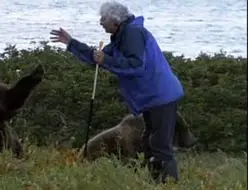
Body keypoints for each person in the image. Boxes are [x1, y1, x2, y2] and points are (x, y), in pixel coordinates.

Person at [50, 1, 192, 184]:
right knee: (149, 141)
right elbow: (97, 58)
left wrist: (106, 60)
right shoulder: (121, 36)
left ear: (115, 21)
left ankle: (169, 184)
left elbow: (136, 65)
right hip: (152, 98)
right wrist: (71, 43)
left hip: (160, 96)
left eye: (103, 19)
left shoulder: (132, 34)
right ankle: (156, 182)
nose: (100, 22)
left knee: (159, 145)